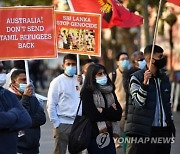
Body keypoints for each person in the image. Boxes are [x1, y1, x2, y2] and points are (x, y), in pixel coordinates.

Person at [125, 45, 176, 154]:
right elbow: (138, 103)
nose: (163, 59)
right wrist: (145, 83)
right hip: (146, 132)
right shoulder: (136, 77)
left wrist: (170, 124)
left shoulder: (164, 78)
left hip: (164, 131)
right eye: (160, 57)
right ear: (151, 59)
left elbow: (167, 103)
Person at [80, 63, 122, 154]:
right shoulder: (88, 92)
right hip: (94, 135)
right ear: (92, 77)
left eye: (104, 73)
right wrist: (111, 111)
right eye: (99, 74)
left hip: (109, 135)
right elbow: (93, 116)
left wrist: (103, 110)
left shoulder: (110, 90)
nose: (103, 76)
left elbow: (118, 114)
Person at [47, 54, 81, 154]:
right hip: (62, 123)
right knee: (60, 152)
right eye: (68, 64)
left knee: (77, 151)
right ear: (63, 66)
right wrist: (56, 123)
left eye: (73, 64)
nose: (71, 66)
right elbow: (51, 104)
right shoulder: (57, 82)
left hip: (78, 123)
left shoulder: (81, 80)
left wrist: (82, 83)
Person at [9, 69, 46, 154]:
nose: (26, 82)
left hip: (34, 147)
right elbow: (17, 117)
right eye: (22, 80)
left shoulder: (33, 98)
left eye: (27, 80)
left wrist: (26, 121)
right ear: (14, 83)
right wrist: (25, 98)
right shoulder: (9, 98)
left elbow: (41, 118)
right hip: (18, 148)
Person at [0, 61, 32, 154]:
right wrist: (15, 113)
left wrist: (5, 125)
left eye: (3, 69)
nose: (3, 72)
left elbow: (26, 120)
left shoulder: (7, 94)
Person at [109, 52, 130, 149]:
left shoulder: (132, 74)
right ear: (117, 62)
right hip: (118, 111)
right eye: (122, 59)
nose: (125, 61)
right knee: (117, 140)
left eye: (126, 59)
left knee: (128, 138)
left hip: (130, 111)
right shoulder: (112, 75)